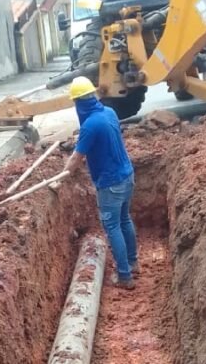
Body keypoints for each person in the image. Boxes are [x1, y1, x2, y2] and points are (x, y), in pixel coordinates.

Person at [63, 77, 139, 290]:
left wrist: (64, 175)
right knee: (124, 219)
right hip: (127, 175)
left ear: (78, 102)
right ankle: (133, 262)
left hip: (110, 183)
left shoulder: (89, 125)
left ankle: (124, 276)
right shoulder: (110, 113)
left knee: (113, 226)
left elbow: (76, 158)